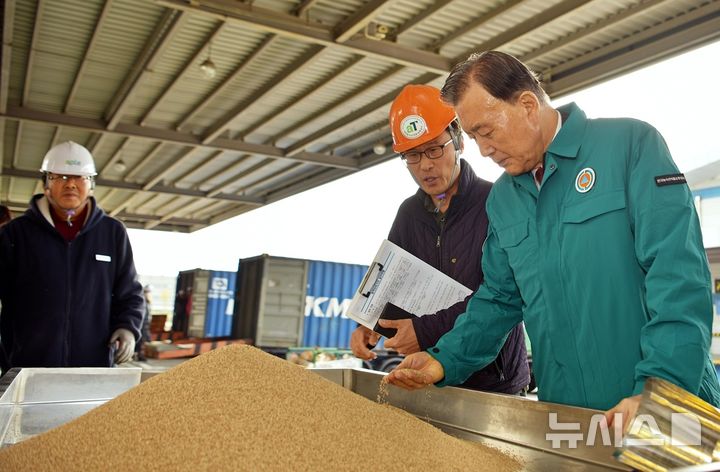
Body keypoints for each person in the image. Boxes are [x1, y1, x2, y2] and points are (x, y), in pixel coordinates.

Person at [387, 51, 720, 431]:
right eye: (474, 135)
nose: (482, 149)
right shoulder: (505, 199)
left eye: (486, 130)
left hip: (663, 410)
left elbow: (678, 278)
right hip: (567, 418)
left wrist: (661, 390)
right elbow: (498, 299)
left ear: (527, 105)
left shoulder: (630, 147)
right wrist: (443, 359)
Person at [350, 84, 529, 394]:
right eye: (413, 156)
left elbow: (502, 297)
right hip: (430, 376)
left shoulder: (498, 203)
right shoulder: (409, 213)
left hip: (493, 383)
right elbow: (389, 280)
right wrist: (368, 324)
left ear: (458, 141)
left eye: (434, 149)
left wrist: (423, 329)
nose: (425, 165)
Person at [0, 141, 143, 373]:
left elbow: (130, 292)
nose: (71, 185)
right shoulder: (16, 233)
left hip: (92, 365)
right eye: (61, 178)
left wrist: (128, 327)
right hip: (26, 365)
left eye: (80, 178)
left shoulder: (112, 232)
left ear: (91, 184)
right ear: (46, 183)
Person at [135, 285, 153, 361]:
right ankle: (139, 355)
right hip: (142, 325)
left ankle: (139, 354)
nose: (148, 294)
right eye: (147, 292)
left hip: (145, 324)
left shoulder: (147, 302)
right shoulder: (142, 301)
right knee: (141, 341)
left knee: (143, 341)